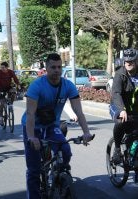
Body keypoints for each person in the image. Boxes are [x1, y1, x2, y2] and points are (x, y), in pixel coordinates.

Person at [21, 53, 94, 198]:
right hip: (33, 128)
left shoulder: (68, 86)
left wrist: (86, 132)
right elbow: (30, 114)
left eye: (59, 67)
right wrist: (31, 137)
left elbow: (78, 112)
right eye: (53, 67)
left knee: (65, 150)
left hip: (51, 126)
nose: (56, 70)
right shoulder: (37, 86)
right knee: (34, 170)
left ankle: (58, 174)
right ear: (46, 68)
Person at [111, 48, 138, 183]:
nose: (128, 63)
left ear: (136, 61)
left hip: (134, 109)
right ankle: (116, 148)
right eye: (126, 61)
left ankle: (134, 160)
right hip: (118, 105)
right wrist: (121, 109)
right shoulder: (119, 74)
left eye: (131, 60)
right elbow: (116, 94)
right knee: (121, 121)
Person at [0, 61, 20, 126]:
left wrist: (18, 85)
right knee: (2, 102)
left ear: (7, 68)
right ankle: (1, 118)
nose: (2, 69)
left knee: (14, 92)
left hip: (8, 87)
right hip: (0, 88)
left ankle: (11, 104)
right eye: (1, 67)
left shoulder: (10, 72)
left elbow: (15, 79)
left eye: (3, 67)